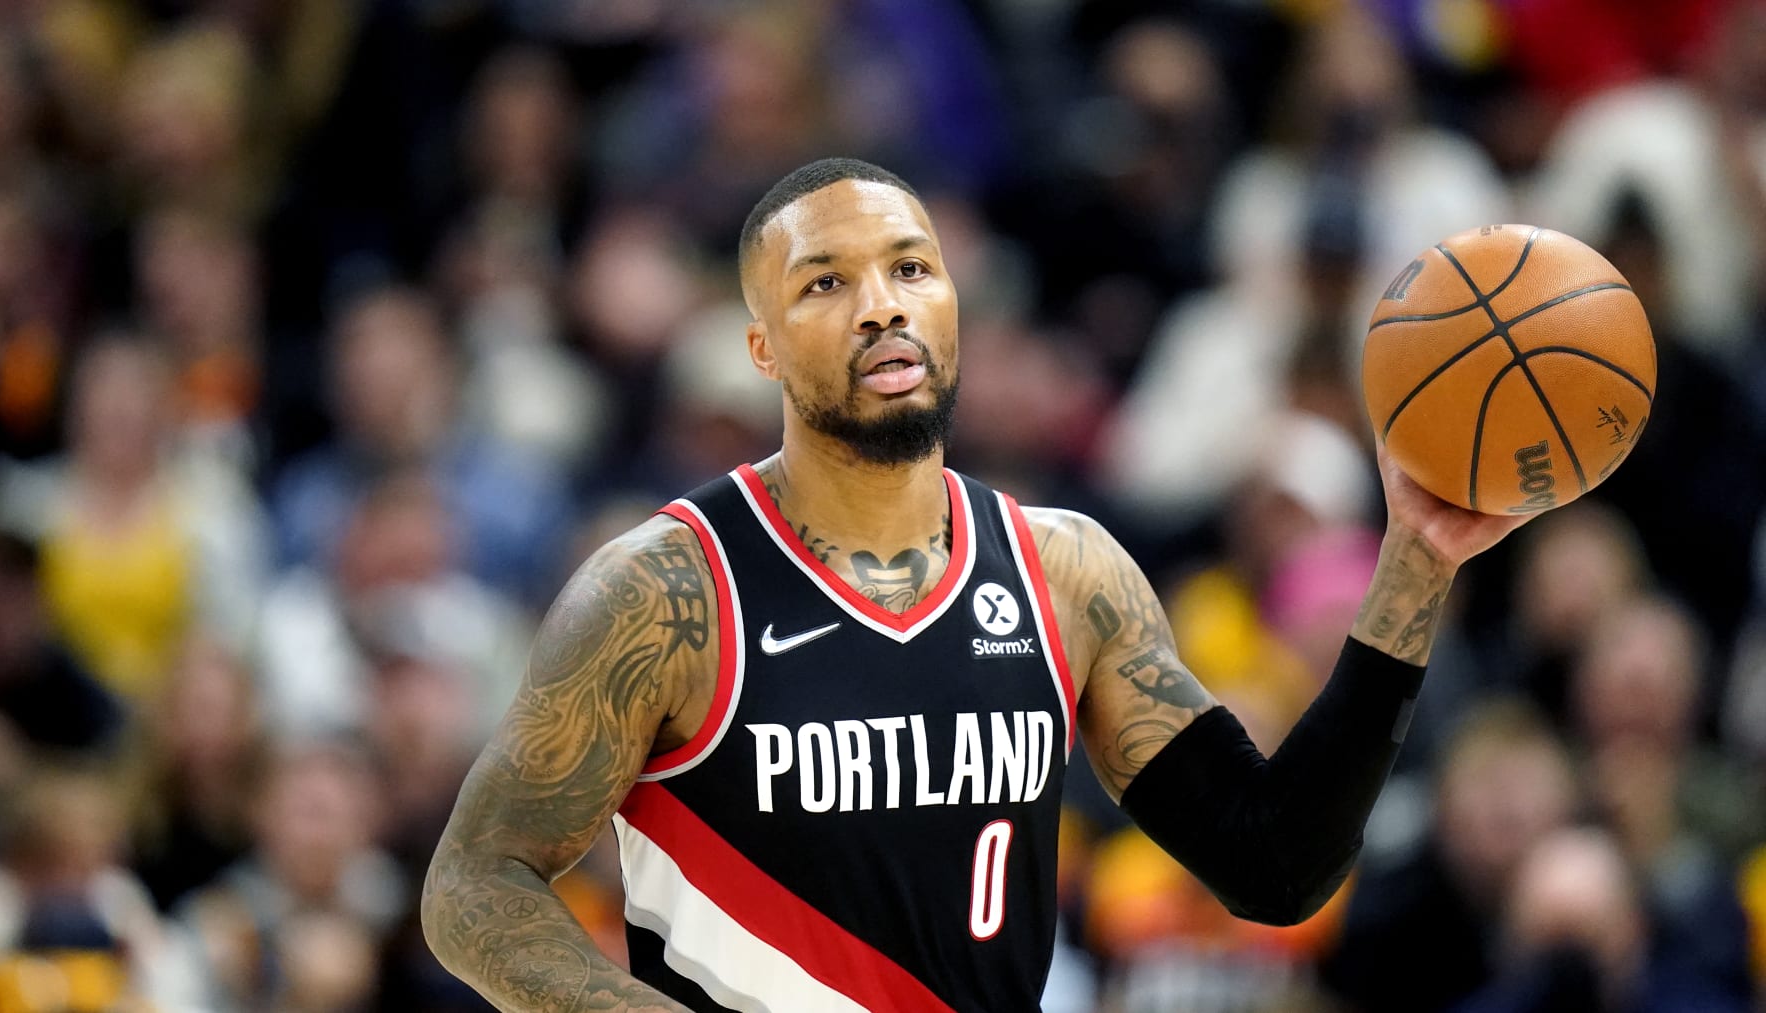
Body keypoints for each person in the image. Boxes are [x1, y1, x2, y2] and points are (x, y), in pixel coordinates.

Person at [420, 158, 1529, 1012]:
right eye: (826, 282)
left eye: (910, 267)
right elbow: (473, 884)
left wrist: (1417, 562)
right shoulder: (668, 592)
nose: (880, 304)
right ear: (761, 346)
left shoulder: (1065, 571)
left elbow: (1275, 864)